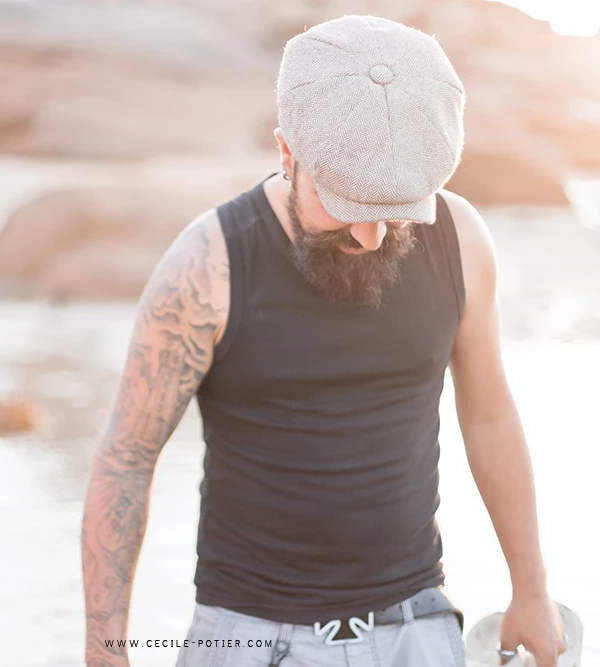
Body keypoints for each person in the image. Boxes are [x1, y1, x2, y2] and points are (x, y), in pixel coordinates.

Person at [81, 14, 567, 667]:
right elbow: (128, 457)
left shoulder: (461, 239)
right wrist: (104, 649)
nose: (370, 235)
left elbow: (489, 415)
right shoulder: (207, 266)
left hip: (415, 625)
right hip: (247, 635)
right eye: (346, 204)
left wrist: (531, 589)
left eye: (392, 209)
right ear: (287, 154)